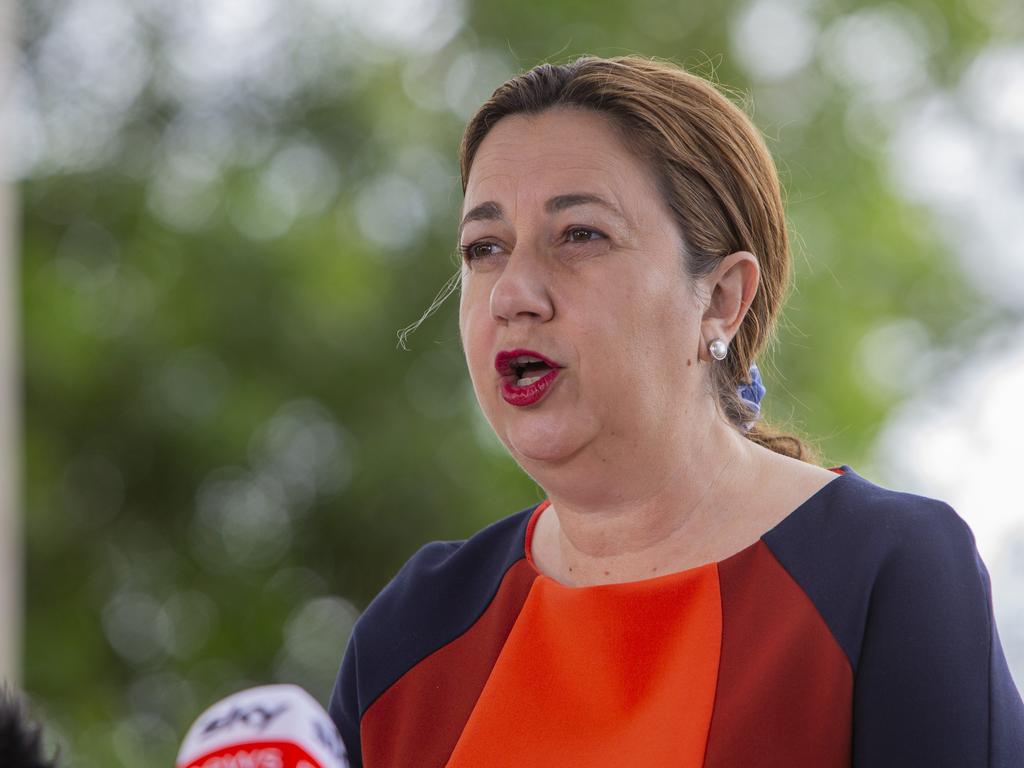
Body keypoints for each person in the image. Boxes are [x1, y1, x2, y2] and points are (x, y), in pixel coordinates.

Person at [328, 55, 1024, 767]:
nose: (514, 293)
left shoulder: (887, 571)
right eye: (485, 248)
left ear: (722, 297)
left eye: (580, 235)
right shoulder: (415, 627)